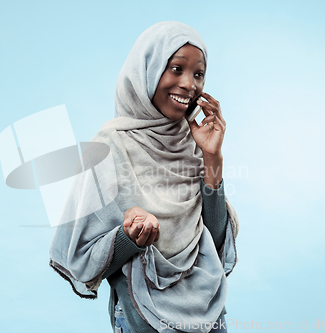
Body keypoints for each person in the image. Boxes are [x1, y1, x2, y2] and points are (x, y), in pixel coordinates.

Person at [49, 21, 239, 333]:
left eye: (198, 73)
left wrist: (212, 159)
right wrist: (130, 237)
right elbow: (83, 257)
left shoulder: (192, 143)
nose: (189, 84)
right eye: (176, 69)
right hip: (142, 319)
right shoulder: (108, 148)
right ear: (147, 69)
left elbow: (215, 244)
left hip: (209, 316)